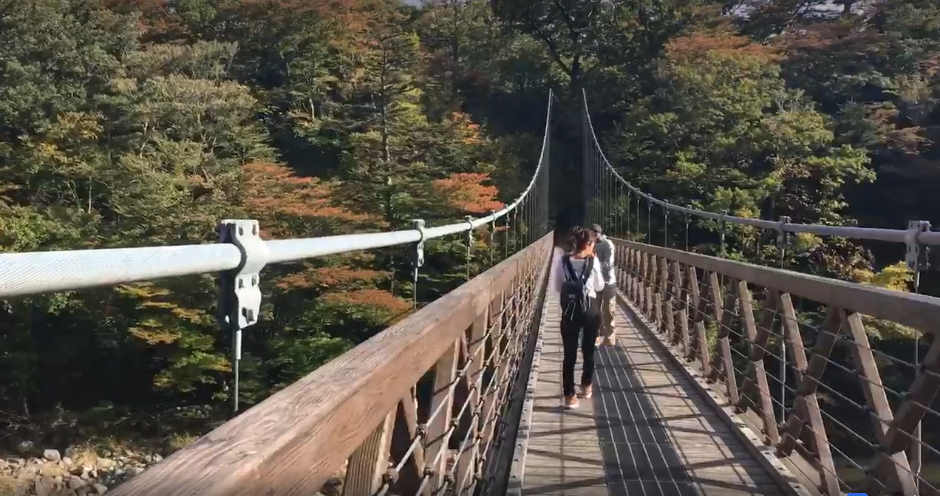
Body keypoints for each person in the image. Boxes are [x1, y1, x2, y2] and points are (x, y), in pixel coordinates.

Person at [552, 226, 606, 409]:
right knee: (588, 350)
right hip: (590, 310)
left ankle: (569, 396)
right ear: (588, 244)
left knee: (569, 354)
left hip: (570, 311)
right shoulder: (593, 262)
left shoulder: (563, 261)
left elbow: (559, 286)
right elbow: (599, 287)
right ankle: (586, 385)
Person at [591, 224, 617, 346]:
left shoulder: (608, 244)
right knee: (595, 310)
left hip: (608, 282)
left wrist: (593, 265)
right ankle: (595, 336)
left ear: (600, 233)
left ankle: (609, 335)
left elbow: (608, 264)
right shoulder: (589, 245)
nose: (594, 236)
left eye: (596, 233)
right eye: (592, 233)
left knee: (609, 310)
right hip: (595, 282)